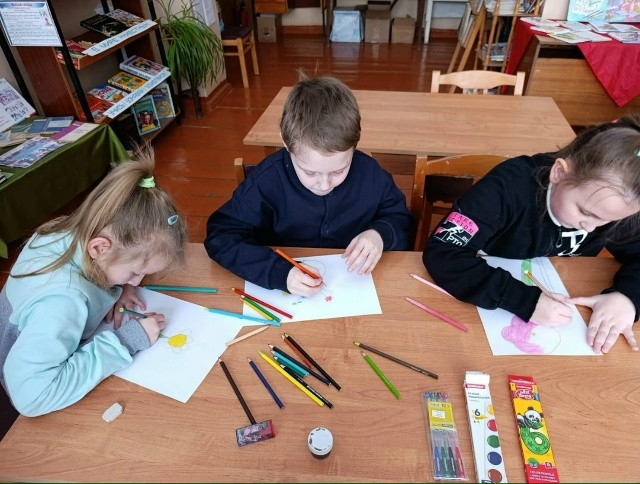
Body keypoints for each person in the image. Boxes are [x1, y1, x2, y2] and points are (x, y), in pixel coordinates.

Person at [423, 114, 640, 355]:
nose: (591, 228)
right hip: (478, 303)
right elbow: (442, 252)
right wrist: (524, 300)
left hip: (563, 288)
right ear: (559, 173)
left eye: (609, 220)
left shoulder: (617, 200)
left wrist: (627, 297)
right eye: (585, 212)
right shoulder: (507, 188)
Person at [0, 148, 188, 417]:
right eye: (135, 272)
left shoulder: (72, 232)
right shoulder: (62, 302)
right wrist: (125, 341)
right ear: (99, 248)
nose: (138, 281)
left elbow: (121, 262)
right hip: (17, 395)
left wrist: (124, 286)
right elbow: (31, 398)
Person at [204, 73, 414, 297]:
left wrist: (379, 235)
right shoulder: (266, 181)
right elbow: (220, 237)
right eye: (310, 172)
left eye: (338, 171)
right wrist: (279, 272)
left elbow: (401, 219)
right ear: (286, 144)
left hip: (354, 287)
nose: (324, 185)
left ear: (354, 145)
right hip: (285, 292)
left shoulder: (371, 174)